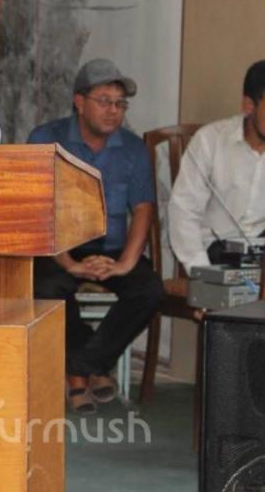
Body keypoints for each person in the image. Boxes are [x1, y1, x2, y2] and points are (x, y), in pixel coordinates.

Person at [27, 58, 165, 414]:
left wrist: (125, 264)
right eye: (104, 101)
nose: (113, 111)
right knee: (45, 287)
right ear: (79, 101)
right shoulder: (46, 140)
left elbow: (143, 209)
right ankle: (94, 368)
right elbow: (38, 207)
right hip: (59, 247)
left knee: (149, 290)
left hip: (113, 250)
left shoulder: (133, 149)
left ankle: (79, 369)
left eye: (120, 104)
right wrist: (69, 263)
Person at [169, 60, 265, 272]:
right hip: (216, 252)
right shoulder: (210, 141)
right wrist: (201, 271)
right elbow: (183, 211)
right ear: (249, 106)